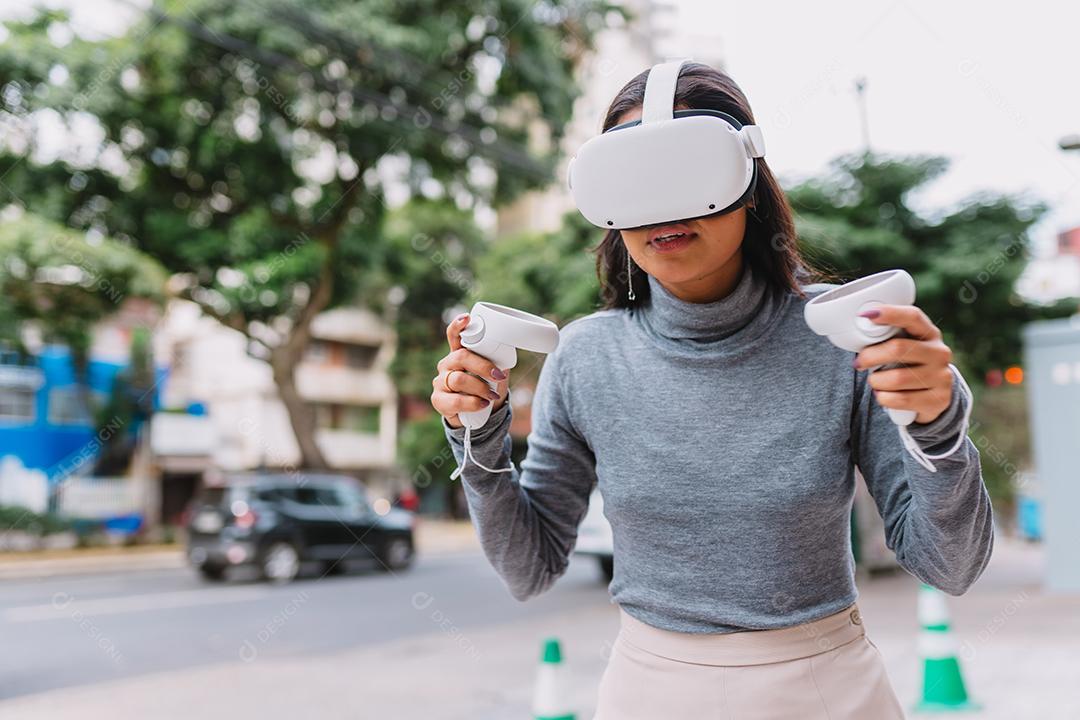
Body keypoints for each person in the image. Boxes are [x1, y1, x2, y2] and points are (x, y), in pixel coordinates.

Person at [430, 62, 994, 719]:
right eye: (633, 177)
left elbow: (950, 568)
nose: (663, 206)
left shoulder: (846, 337)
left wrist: (939, 430)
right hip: (648, 692)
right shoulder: (585, 358)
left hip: (826, 691)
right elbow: (530, 570)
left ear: (748, 181)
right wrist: (478, 435)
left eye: (689, 169)